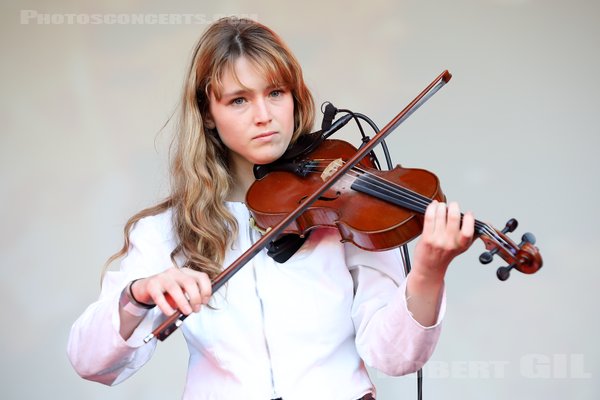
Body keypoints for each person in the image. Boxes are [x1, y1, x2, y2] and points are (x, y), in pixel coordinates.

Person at [67, 17, 475, 400]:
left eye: (275, 93)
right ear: (208, 114)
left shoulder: (347, 209)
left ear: (294, 99)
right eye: (239, 100)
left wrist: (427, 273)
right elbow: (91, 363)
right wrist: (138, 296)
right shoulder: (165, 231)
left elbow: (394, 357)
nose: (264, 116)